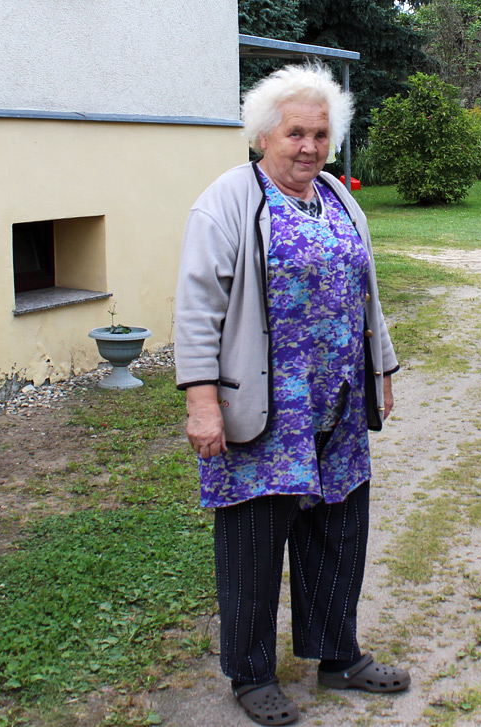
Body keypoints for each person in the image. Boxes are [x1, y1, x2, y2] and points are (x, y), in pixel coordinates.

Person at [174, 63, 408, 726]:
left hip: (333, 405)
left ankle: (339, 657)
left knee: (339, 529)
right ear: (263, 137)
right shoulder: (227, 200)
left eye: (320, 133)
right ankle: (251, 675)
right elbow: (197, 309)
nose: (308, 147)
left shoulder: (337, 196)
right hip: (265, 407)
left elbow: (367, 291)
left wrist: (380, 369)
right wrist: (201, 400)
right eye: (295, 133)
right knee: (253, 539)